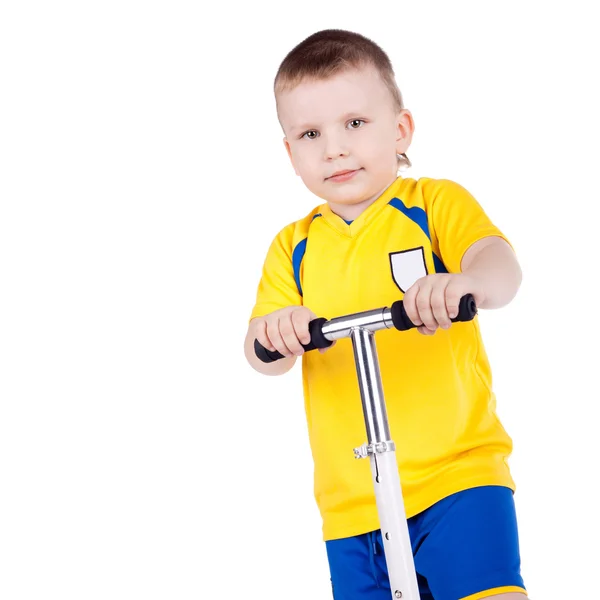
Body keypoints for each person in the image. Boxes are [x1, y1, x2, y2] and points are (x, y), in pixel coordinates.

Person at [244, 28, 527, 600]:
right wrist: (274, 332)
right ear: (290, 152)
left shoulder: (432, 205)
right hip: (353, 503)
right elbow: (260, 352)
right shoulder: (292, 247)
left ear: (399, 130)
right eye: (309, 133)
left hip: (457, 476)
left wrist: (466, 282)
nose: (334, 149)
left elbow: (500, 265)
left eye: (354, 123)